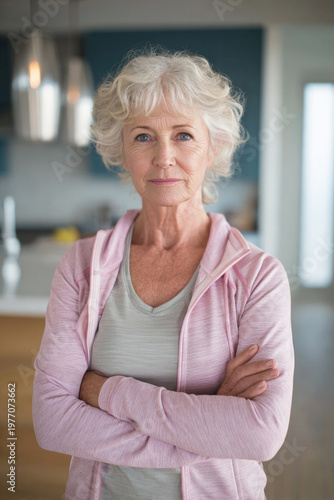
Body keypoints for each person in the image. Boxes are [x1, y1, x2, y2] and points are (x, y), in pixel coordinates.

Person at [32, 48, 295, 500]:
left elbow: (259, 435)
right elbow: (52, 422)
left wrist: (104, 390)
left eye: (184, 135)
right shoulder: (81, 266)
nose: (164, 157)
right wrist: (204, 427)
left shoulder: (257, 277)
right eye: (143, 137)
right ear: (121, 150)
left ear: (213, 148)